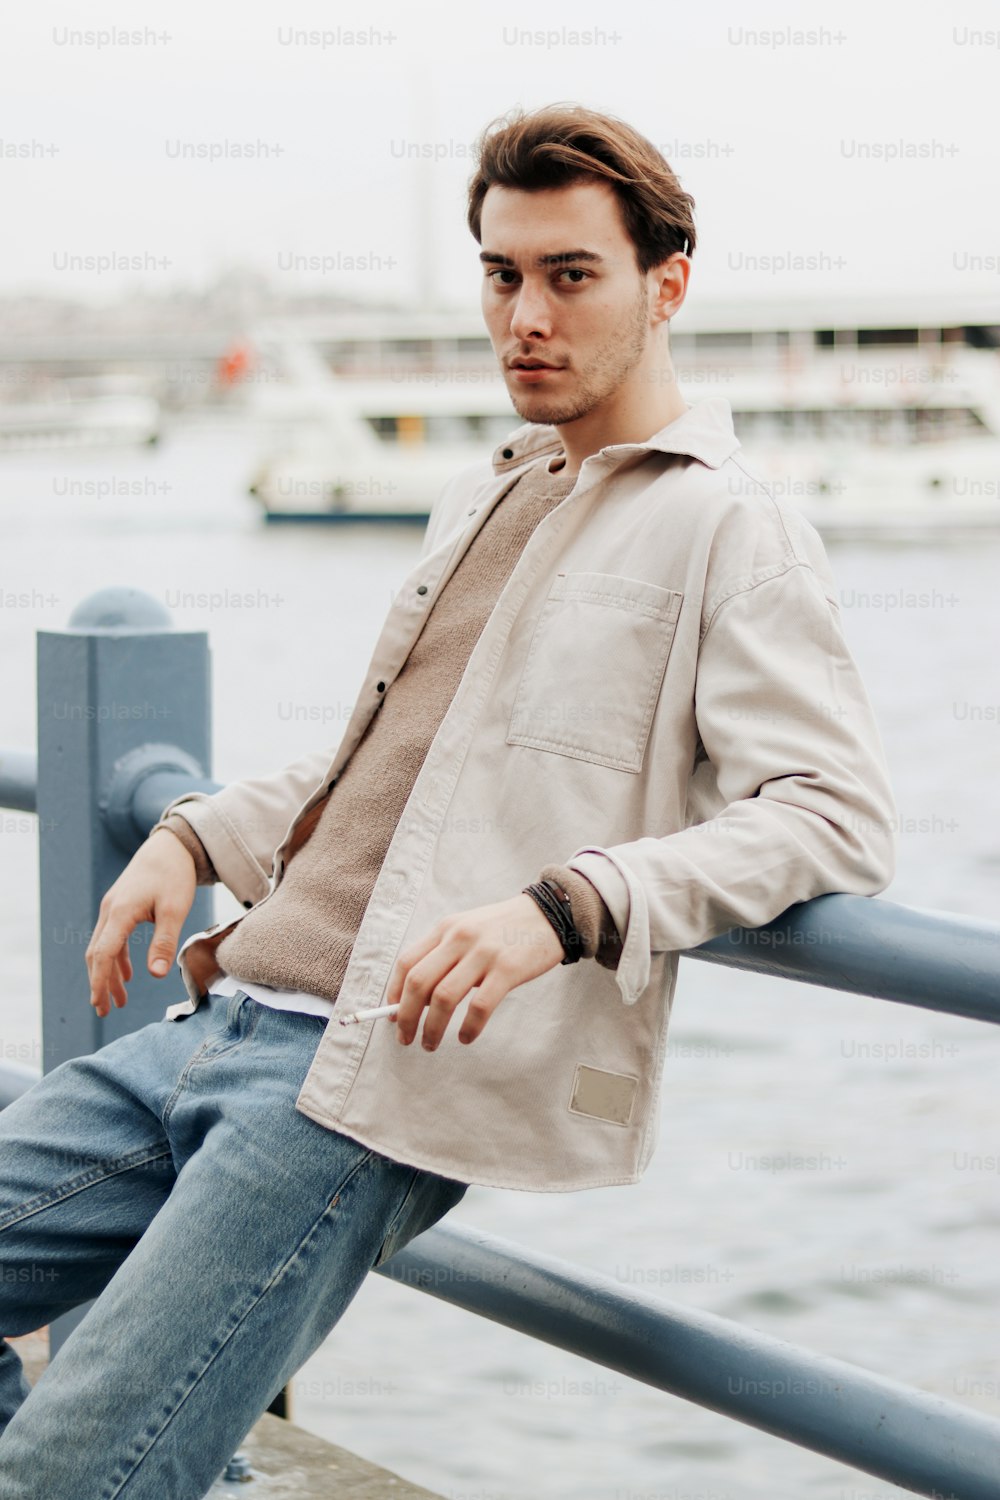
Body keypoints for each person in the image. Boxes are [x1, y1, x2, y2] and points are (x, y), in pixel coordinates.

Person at [0, 103, 897, 1498]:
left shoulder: (731, 521)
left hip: (363, 1088)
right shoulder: (495, 494)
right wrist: (195, 831)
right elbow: (392, 764)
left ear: (668, 282)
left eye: (569, 274)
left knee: (75, 1469)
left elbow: (832, 812)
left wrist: (572, 905)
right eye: (500, 274)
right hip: (222, 1017)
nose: (524, 315)